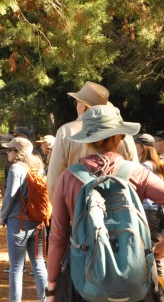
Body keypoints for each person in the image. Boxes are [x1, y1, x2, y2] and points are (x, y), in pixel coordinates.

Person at [45, 106, 164, 302]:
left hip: (85, 280)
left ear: (89, 140)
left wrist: (51, 287)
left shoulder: (69, 178)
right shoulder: (137, 173)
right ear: (118, 137)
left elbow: (58, 235)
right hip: (133, 280)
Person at [47, 81, 138, 200]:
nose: (76, 106)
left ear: (84, 106)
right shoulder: (123, 133)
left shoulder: (66, 132)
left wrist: (60, 211)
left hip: (78, 208)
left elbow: (55, 178)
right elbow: (135, 173)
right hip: (119, 206)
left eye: (77, 102)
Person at [0, 137, 48, 302]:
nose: (7, 152)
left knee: (16, 268)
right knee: (39, 264)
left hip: (18, 222)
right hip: (38, 223)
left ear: (18, 152)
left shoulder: (16, 169)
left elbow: (10, 196)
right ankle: (45, 299)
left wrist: (2, 217)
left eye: (10, 149)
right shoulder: (39, 168)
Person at [134, 133, 164, 276]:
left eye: (136, 145)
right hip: (157, 212)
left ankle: (158, 291)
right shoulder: (156, 163)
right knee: (156, 256)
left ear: (143, 147)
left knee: (151, 253)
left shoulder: (145, 166)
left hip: (149, 213)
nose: (134, 148)